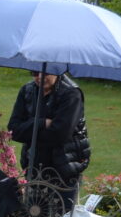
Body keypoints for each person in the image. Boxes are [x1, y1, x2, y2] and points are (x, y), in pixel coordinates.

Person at [8, 71, 90, 208]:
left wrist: (29, 131)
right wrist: (42, 123)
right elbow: (13, 130)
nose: (39, 77)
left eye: (46, 73)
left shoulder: (71, 93)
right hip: (34, 165)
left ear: (58, 71)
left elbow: (60, 134)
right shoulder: (27, 90)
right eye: (35, 72)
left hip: (64, 167)